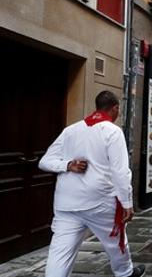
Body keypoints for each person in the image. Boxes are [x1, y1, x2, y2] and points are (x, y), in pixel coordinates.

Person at [38, 91, 145, 277]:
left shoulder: (71, 130)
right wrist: (127, 203)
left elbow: (44, 161)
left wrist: (67, 165)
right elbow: (120, 172)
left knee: (60, 252)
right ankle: (126, 273)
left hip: (67, 203)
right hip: (99, 202)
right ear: (115, 108)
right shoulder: (112, 131)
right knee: (115, 241)